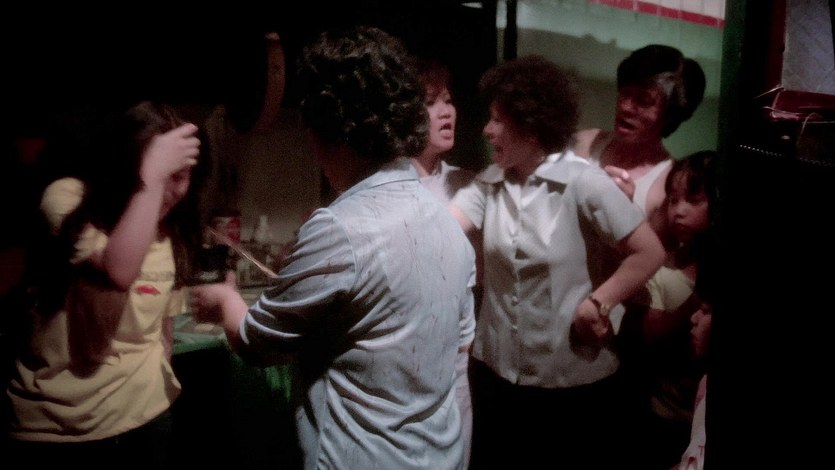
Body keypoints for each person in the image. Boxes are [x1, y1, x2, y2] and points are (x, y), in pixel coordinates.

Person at [190, 25, 475, 470]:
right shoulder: (445, 219)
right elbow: (459, 356)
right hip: (442, 455)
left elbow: (256, 343)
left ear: (320, 132)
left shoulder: (340, 227)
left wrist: (226, 299)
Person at [449, 55, 666, 469]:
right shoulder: (490, 184)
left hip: (570, 383)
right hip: (496, 377)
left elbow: (649, 251)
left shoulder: (583, 181)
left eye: (497, 120)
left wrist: (598, 303)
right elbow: (442, 229)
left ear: (531, 126)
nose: (487, 130)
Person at [5, 101, 203, 468]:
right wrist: (152, 180)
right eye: (159, 173)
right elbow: (119, 269)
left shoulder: (173, 235)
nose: (170, 190)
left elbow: (163, 328)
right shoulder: (67, 198)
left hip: (144, 420)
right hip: (52, 427)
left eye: (180, 176)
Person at [628, 150, 716, 470]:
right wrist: (701, 296)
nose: (679, 211)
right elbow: (652, 331)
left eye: (693, 200)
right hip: (667, 411)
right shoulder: (664, 266)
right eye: (673, 200)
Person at [411, 56, 478, 467]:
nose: (445, 111)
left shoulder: (467, 184)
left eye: (448, 101)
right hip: (406, 347)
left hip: (457, 353)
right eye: (431, 102)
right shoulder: (384, 183)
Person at [572, 44, 706, 241]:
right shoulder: (584, 143)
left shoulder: (669, 188)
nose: (625, 107)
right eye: (625, 93)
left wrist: (626, 214)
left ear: (670, 115)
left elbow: (651, 258)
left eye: (643, 101)